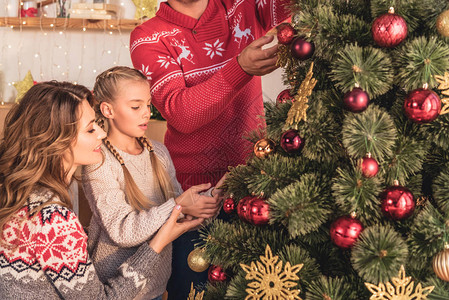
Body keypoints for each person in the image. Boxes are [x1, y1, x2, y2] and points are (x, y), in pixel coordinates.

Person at [130, 0, 290, 297]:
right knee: (192, 290)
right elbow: (182, 113)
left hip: (257, 187)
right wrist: (239, 67)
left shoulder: (242, 6)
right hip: (194, 201)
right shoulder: (149, 36)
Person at [0, 81, 204, 299]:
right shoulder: (53, 219)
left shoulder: (21, 197)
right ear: (56, 141)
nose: (101, 134)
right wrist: (158, 243)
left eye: (97, 124)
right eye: (90, 129)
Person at [81, 66, 224, 300]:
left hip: (156, 287)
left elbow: (178, 217)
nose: (146, 113)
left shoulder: (158, 152)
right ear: (107, 109)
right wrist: (179, 204)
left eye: (148, 105)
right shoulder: (99, 161)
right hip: (117, 288)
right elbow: (123, 231)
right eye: (136, 106)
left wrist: (211, 198)